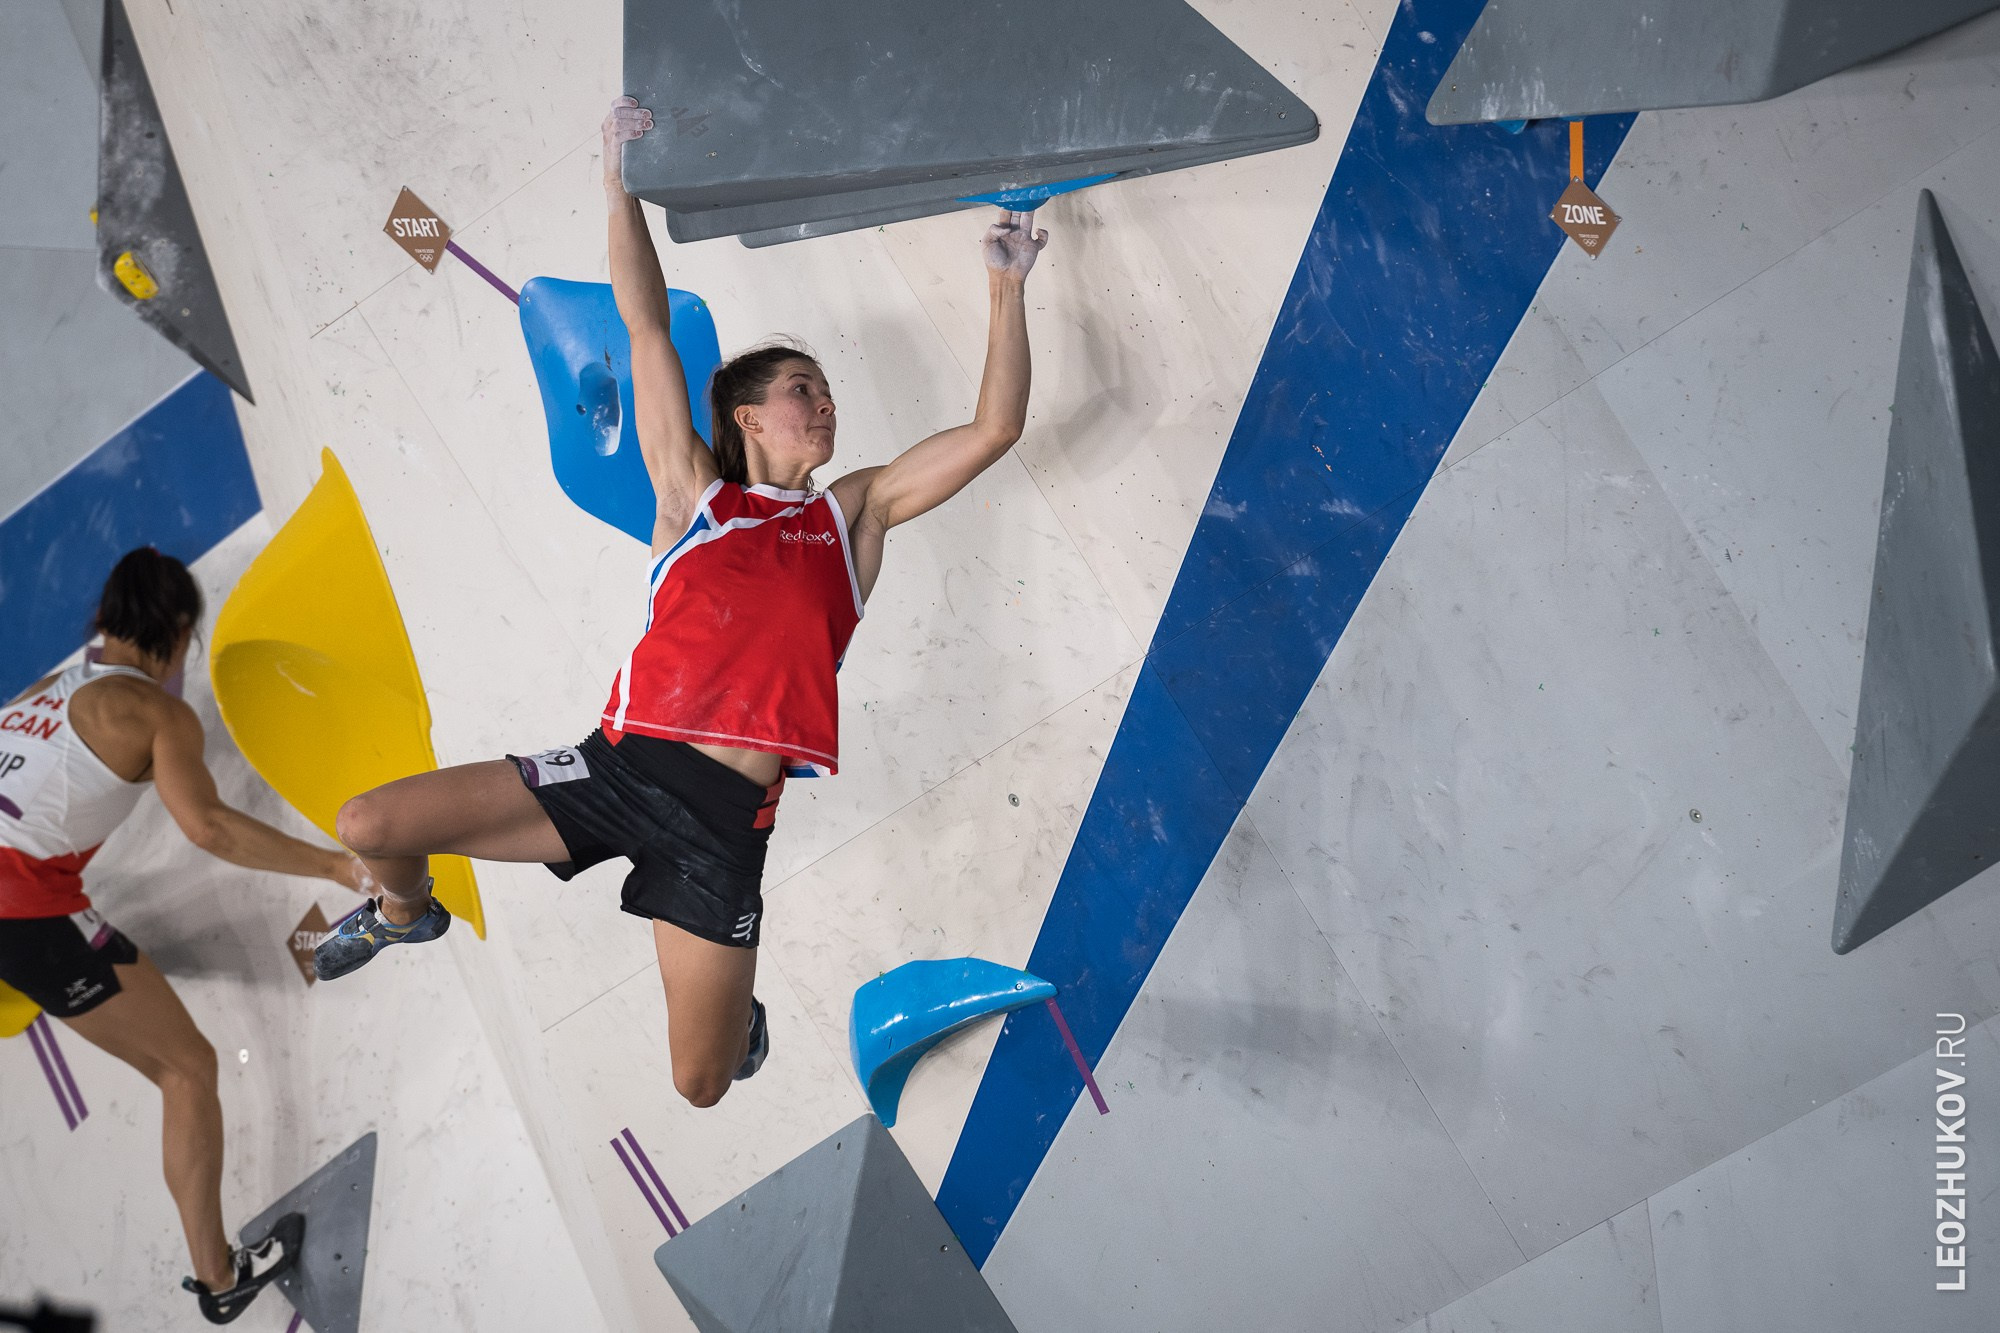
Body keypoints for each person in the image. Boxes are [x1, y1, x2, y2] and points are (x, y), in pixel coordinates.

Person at [319, 95, 1049, 1109]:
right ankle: (406, 915)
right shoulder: (692, 497)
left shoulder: (852, 514)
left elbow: (993, 428)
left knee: (700, 1083)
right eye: (803, 389)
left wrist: (1006, 284)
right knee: (366, 821)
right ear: (747, 415)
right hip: (616, 769)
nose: (824, 404)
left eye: (829, 393)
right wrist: (617, 182)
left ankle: (737, 1022)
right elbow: (644, 324)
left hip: (721, 825)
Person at [0, 548, 370, 1323]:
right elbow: (209, 828)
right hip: (26, 912)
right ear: (176, 633)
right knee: (187, 1067)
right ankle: (218, 1277)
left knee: (174, 1057)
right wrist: (336, 866)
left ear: (103, 619)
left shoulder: (36, 693)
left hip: (24, 912)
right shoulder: (155, 713)